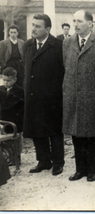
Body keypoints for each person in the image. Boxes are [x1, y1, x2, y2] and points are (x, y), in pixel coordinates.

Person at [63, 10, 95, 182]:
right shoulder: (67, 42)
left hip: (94, 96)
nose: (75, 24)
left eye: (79, 21)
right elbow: (67, 67)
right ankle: (80, 169)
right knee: (76, 133)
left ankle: (92, 170)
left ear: (90, 24)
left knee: (92, 134)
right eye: (74, 21)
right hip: (73, 96)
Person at [23, 14, 65, 176]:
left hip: (52, 98)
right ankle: (43, 161)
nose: (33, 29)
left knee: (54, 130)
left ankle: (58, 162)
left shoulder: (58, 45)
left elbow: (63, 72)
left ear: (48, 29)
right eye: (33, 25)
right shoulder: (27, 45)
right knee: (36, 129)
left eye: (38, 26)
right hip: (32, 96)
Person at [0, 67, 24, 165]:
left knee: (17, 139)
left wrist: (19, 115)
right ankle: (8, 157)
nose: (6, 82)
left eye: (8, 81)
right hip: (4, 119)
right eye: (4, 80)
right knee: (6, 138)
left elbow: (23, 106)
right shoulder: (1, 90)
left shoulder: (20, 91)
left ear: (15, 80)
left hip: (16, 119)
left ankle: (17, 157)